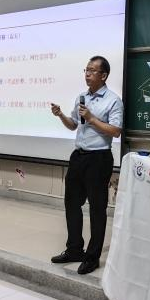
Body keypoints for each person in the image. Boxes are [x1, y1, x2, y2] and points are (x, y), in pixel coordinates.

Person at [50, 55, 123, 275]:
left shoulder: (113, 100)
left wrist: (91, 118)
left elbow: (115, 131)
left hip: (99, 159)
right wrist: (61, 115)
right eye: (86, 70)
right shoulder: (81, 97)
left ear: (104, 75)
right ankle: (74, 250)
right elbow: (73, 125)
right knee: (71, 204)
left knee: (97, 209)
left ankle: (92, 258)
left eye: (92, 70)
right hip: (78, 157)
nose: (87, 74)